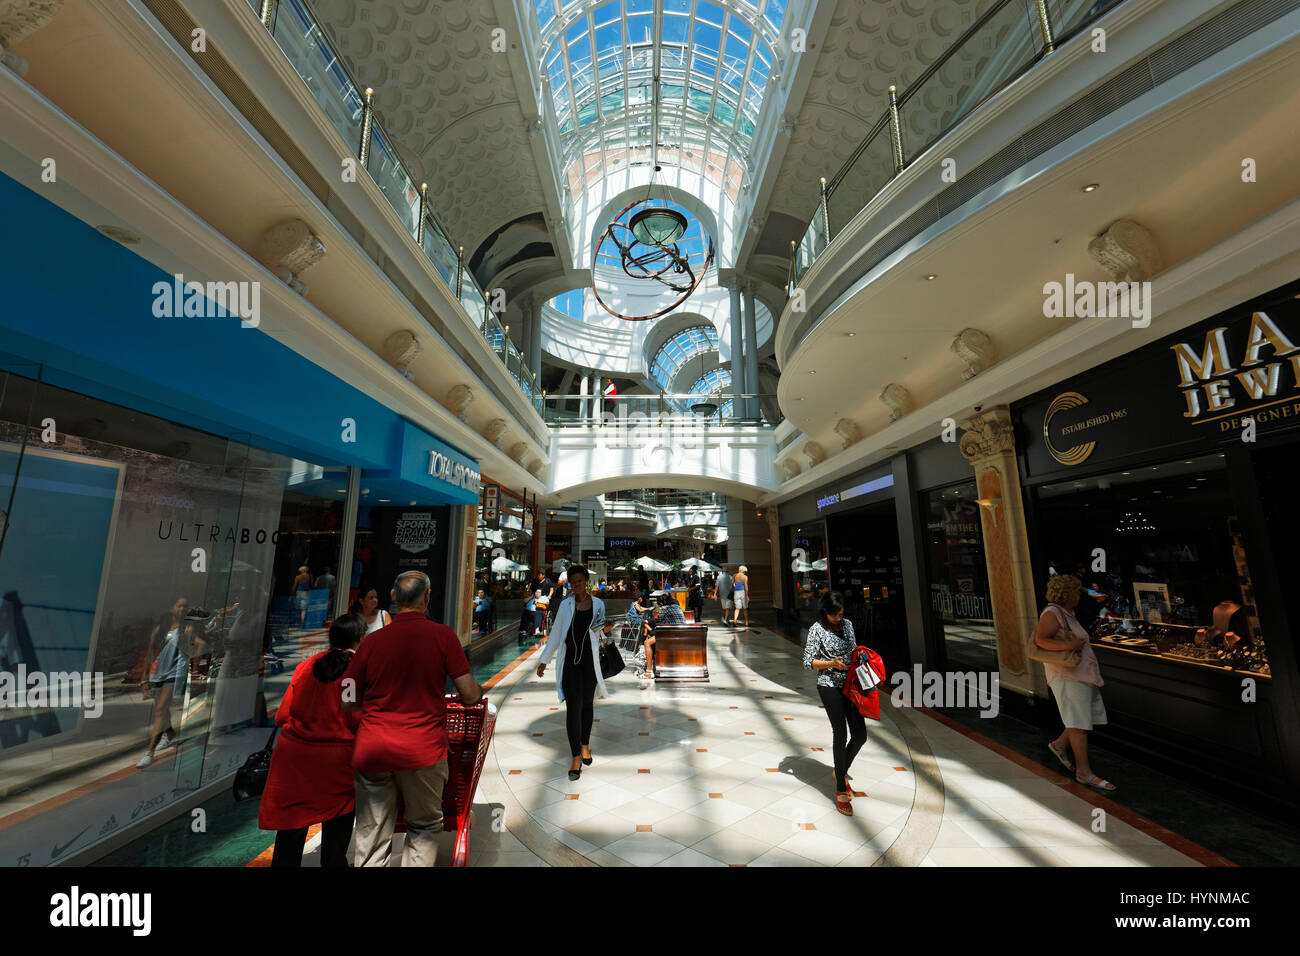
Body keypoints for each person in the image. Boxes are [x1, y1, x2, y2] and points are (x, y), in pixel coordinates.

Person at [343, 571, 484, 867]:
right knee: (422, 828)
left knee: (371, 834)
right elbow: (470, 694)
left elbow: (347, 697)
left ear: (393, 598)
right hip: (423, 751)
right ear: (428, 598)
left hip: (374, 750)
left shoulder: (370, 643)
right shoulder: (443, 637)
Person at [260, 613, 364, 867]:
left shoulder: (305, 667)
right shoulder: (355, 673)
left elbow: (282, 716)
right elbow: (358, 719)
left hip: (294, 761)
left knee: (292, 827)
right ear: (360, 640)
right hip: (335, 764)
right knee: (337, 825)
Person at [1034, 574, 1115, 791]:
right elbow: (1040, 641)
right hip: (1067, 675)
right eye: (1077, 591)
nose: (1080, 595)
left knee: (1079, 718)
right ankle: (1084, 773)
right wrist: (1071, 646)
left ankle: (1059, 745)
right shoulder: (1052, 613)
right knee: (1079, 724)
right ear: (1068, 594)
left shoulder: (1068, 612)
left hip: (1079, 673)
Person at [535, 566, 615, 781]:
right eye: (573, 581)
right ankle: (575, 757)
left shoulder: (598, 604)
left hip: (590, 663)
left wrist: (606, 630)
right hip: (570, 662)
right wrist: (544, 661)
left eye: (580, 581)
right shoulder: (565, 604)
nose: (576, 585)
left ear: (587, 581)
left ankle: (585, 745)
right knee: (573, 709)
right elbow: (556, 634)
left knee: (587, 705)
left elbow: (599, 634)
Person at [802, 591, 865, 816]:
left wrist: (861, 660)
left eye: (841, 614)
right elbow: (808, 662)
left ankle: (840, 769)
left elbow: (854, 650)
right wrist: (832, 663)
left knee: (860, 734)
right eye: (835, 615)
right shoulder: (816, 630)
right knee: (841, 733)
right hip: (828, 684)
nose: (839, 618)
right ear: (825, 612)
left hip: (850, 684)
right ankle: (840, 788)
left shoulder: (847, 625)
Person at [137, 597, 193, 768]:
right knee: (162, 709)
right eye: (179, 606)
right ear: (172, 608)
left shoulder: (187, 629)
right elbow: (149, 653)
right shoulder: (159, 630)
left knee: (160, 709)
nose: (182, 609)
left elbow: (190, 652)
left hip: (173, 674)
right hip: (156, 674)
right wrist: (144, 677)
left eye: (185, 607)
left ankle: (149, 752)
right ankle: (169, 733)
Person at [293, 565, 313, 629]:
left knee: (297, 608)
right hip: (306, 593)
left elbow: (294, 586)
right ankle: (302, 623)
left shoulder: (297, 577)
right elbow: (312, 585)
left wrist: (292, 594)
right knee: (303, 609)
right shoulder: (310, 576)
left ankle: (297, 622)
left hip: (299, 592)